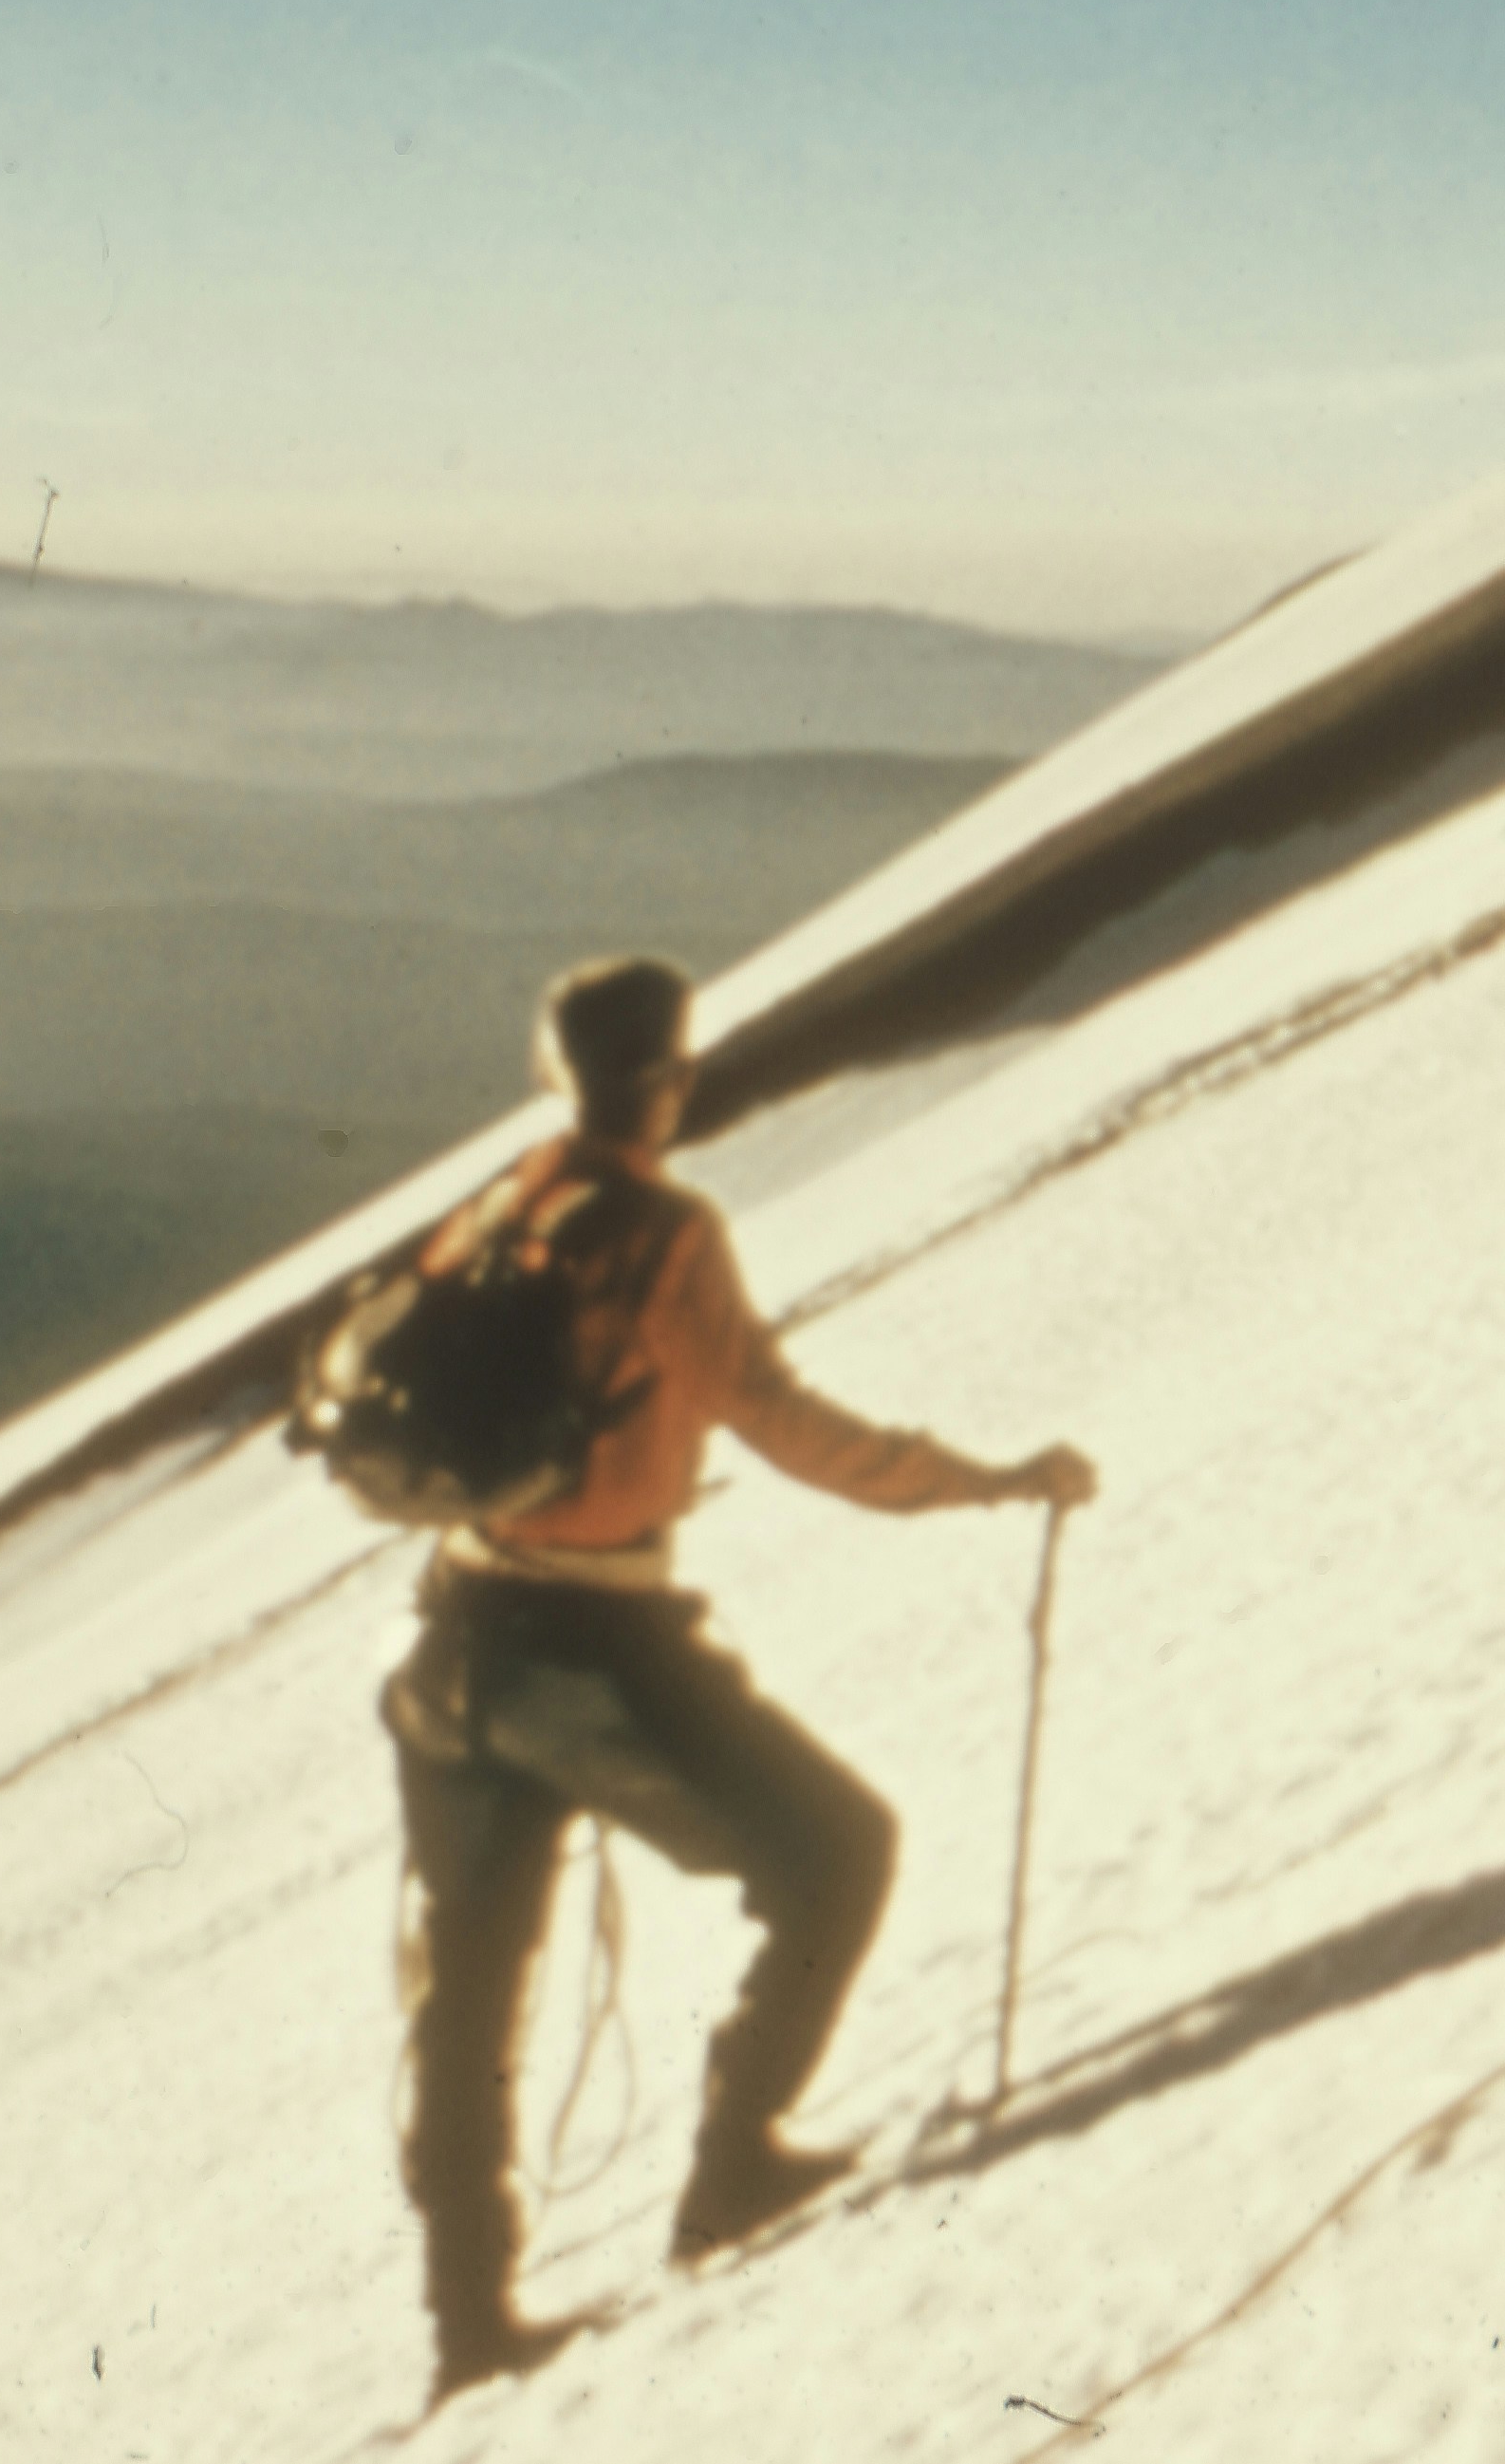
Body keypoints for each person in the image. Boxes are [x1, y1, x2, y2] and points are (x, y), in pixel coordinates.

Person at [379, 952, 1097, 2401]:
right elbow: (784, 1421)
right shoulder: (664, 1235)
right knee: (838, 1849)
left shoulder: (501, 1203)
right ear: (672, 1080)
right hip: (598, 1646)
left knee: (465, 1993)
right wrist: (985, 1479)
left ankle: (469, 2327)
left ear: (555, 1068)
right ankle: (731, 2170)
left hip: (450, 1644)